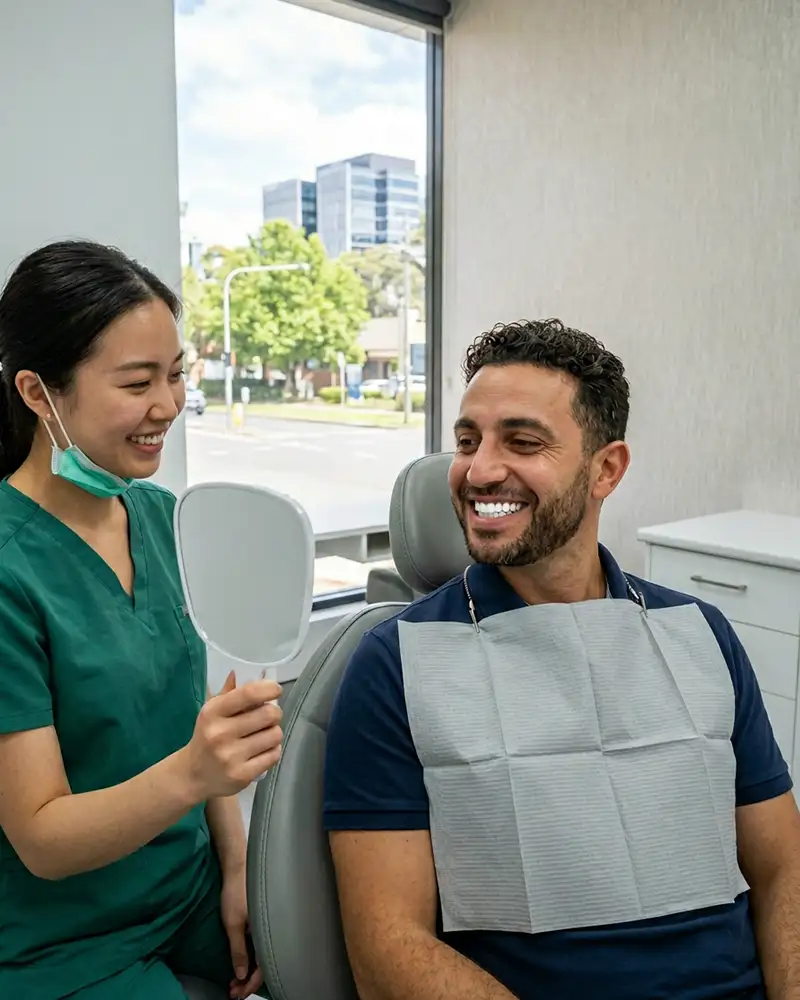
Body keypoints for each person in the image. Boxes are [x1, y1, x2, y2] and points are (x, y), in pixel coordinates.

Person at [323, 319, 800, 1000]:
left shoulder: (700, 635)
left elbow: (784, 872)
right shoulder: (396, 664)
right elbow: (388, 948)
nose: (479, 470)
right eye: (468, 441)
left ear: (607, 469)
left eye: (522, 442)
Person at [0, 241, 283, 1000]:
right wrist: (195, 772)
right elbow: (42, 838)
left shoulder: (162, 518)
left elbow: (197, 720)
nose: (168, 404)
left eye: (176, 374)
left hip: (187, 889)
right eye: (137, 382)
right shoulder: (8, 568)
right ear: (38, 393)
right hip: (61, 939)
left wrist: (237, 866)